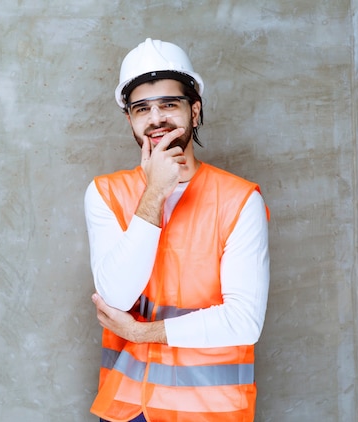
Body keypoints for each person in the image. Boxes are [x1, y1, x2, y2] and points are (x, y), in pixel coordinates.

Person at [84, 38, 270, 422]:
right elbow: (116, 296)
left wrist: (140, 334)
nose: (156, 119)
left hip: (211, 412)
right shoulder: (106, 192)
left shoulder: (239, 199)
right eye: (142, 109)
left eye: (169, 104)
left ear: (195, 111)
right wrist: (154, 192)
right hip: (127, 410)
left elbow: (243, 321)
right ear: (130, 120)